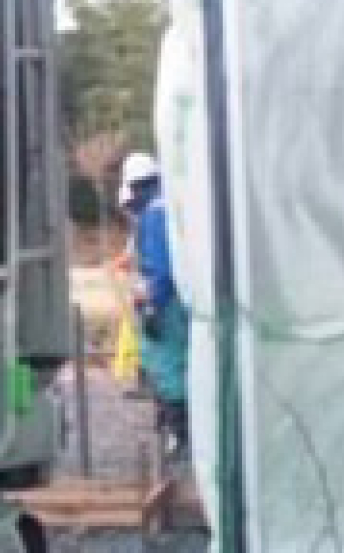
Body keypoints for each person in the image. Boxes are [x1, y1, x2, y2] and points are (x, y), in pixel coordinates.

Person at [120, 150, 190, 458]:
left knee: (167, 366)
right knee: (176, 364)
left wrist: (152, 305)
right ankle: (177, 429)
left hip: (165, 303)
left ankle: (177, 433)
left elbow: (161, 267)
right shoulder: (172, 207)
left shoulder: (154, 216)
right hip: (176, 298)